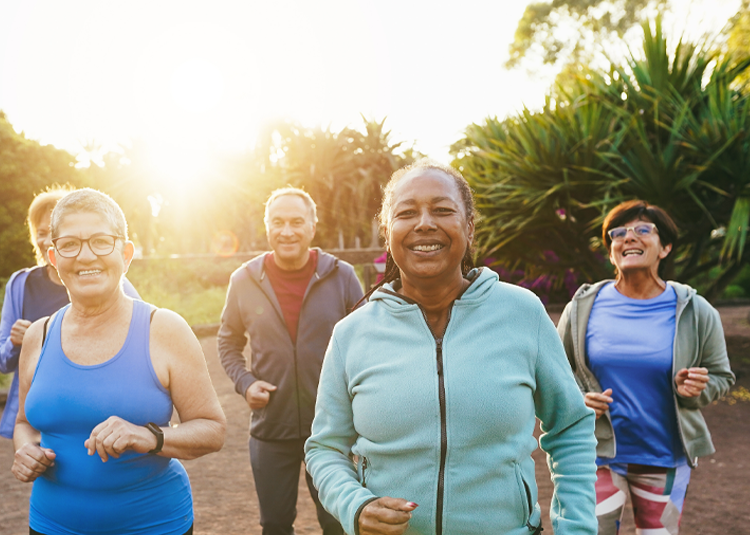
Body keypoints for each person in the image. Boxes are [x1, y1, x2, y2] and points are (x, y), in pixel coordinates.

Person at [305, 160, 598, 535]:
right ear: (388, 231)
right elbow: (324, 448)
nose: (424, 223)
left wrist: (577, 528)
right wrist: (354, 504)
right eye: (407, 213)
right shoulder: (351, 334)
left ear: (469, 228)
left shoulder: (523, 313)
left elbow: (570, 426)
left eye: (442, 210)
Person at [11, 188, 226, 535]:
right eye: (69, 244)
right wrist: (25, 450)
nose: (85, 256)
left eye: (101, 241)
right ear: (53, 256)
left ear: (126, 254)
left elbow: (213, 430)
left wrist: (149, 436)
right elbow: (24, 422)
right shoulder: (39, 334)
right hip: (51, 524)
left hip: (153, 525)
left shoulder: (164, 328)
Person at [556, 200, 736, 535]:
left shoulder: (696, 310)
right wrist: (578, 400)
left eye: (643, 230)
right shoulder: (581, 307)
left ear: (665, 247)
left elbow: (722, 377)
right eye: (618, 233)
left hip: (663, 455)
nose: (629, 238)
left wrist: (697, 389)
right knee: (589, 531)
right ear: (611, 250)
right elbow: (554, 375)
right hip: (595, 453)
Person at [218, 187, 363, 535]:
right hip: (271, 429)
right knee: (276, 525)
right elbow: (228, 341)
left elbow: (367, 343)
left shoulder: (341, 276)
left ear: (313, 226)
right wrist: (246, 382)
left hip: (332, 429)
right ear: (267, 226)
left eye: (297, 222)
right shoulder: (244, 280)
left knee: (337, 522)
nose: (287, 231)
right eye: (278, 222)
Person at [0, 186, 140, 440]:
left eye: (52, 232)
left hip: (99, 413)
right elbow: (4, 362)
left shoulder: (111, 280)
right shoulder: (21, 284)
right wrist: (15, 342)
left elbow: (139, 341)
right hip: (41, 415)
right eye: (40, 233)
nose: (44, 240)